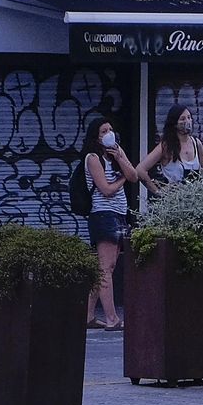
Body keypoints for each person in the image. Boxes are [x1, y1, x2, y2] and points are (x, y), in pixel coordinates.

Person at [82, 116, 138, 331]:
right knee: (106, 268)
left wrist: (120, 157)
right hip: (103, 214)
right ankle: (112, 318)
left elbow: (134, 175)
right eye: (104, 131)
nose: (109, 134)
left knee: (108, 266)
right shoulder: (93, 158)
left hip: (120, 213)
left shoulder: (116, 151)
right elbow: (105, 189)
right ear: (96, 137)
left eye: (111, 129)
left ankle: (88, 315)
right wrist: (122, 178)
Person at [136, 104, 203, 190]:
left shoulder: (196, 143)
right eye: (183, 119)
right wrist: (158, 192)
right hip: (173, 200)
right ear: (175, 123)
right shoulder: (166, 146)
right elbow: (140, 170)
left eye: (189, 117)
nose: (187, 121)